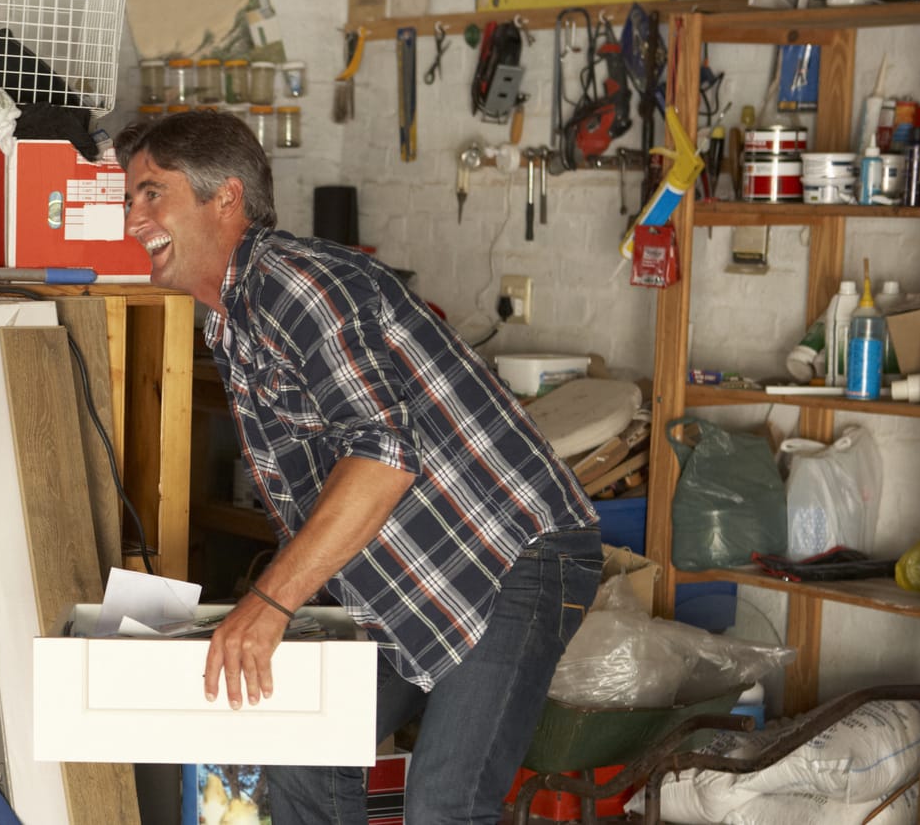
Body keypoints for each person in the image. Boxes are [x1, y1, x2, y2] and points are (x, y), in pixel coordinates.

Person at [115, 110, 602, 825]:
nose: (133, 219)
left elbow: (380, 457)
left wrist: (271, 605)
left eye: (151, 193)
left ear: (225, 198)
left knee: (445, 802)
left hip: (507, 556)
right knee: (299, 738)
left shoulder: (295, 285)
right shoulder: (230, 317)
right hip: (396, 569)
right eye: (130, 198)